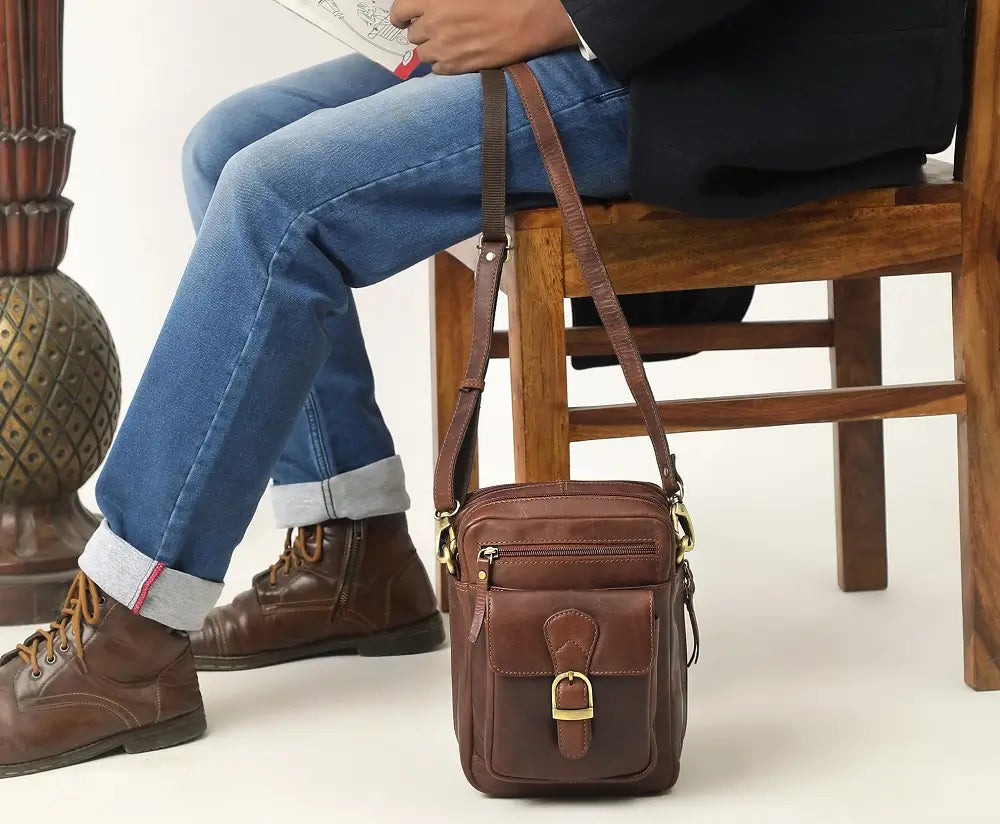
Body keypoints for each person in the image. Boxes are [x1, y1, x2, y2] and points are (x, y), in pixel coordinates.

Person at [0, 0, 966, 777]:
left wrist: (555, 15)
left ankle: (127, 633)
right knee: (229, 144)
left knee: (276, 195)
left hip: (740, 55)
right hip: (624, 40)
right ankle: (353, 551)